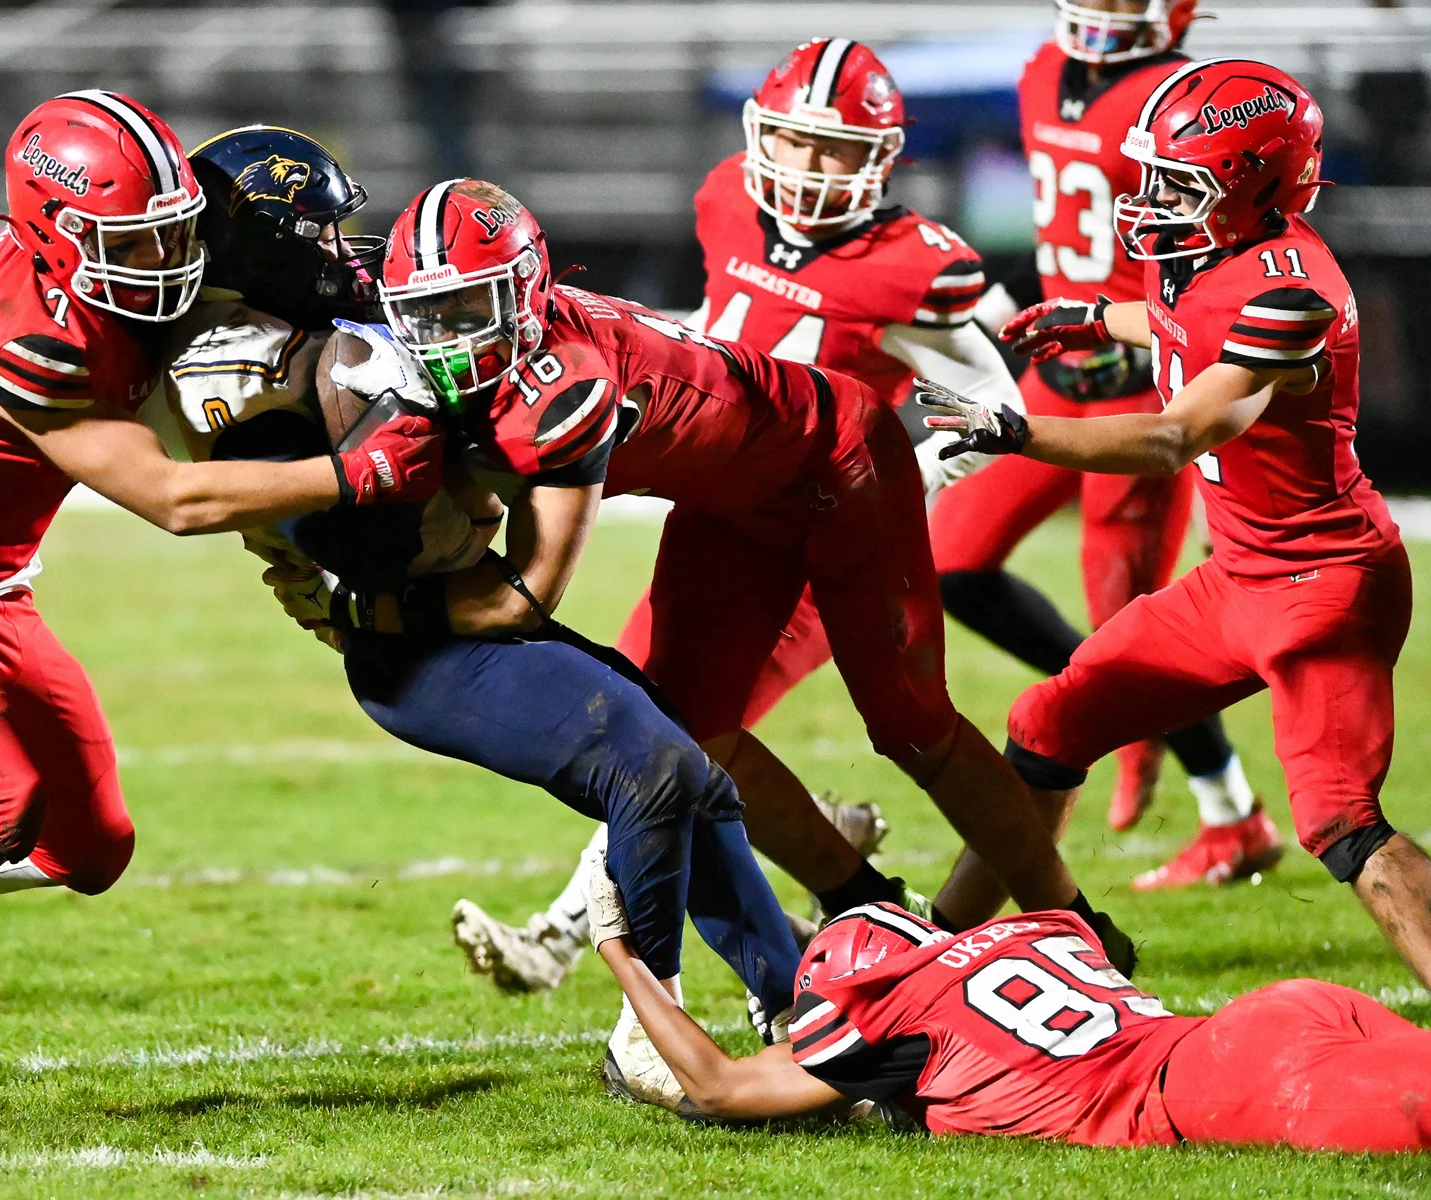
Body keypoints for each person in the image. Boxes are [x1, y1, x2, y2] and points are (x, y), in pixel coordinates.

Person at [0, 97, 442, 1120]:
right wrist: (354, 474)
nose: (162, 259)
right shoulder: (29, 335)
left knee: (90, 848)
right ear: (57, 234)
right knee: (0, 801)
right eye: (134, 239)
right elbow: (172, 496)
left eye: (172, 228)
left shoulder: (105, 275)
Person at [345, 179, 1135, 992]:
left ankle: (1079, 929)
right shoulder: (509, 336)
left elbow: (523, 596)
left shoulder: (564, 380)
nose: (448, 337)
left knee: (909, 723)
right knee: (692, 732)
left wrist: (362, 608)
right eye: (431, 311)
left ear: (526, 292)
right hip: (730, 500)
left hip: (839, 459)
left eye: (472, 309)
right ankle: (869, 905)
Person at [450, 36, 1020, 994]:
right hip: (723, 512)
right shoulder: (726, 200)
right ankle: (833, 894)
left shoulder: (905, 264)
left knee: (673, 736)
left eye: (835, 148)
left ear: (880, 158)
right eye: (793, 141)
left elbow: (990, 397)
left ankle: (574, 936)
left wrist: (906, 487)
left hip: (817, 524)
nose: (806, 167)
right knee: (669, 728)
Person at [918, 59, 1431, 987]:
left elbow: (1173, 435)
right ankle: (932, 958)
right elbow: (1182, 322)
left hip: (1322, 585)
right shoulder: (1213, 255)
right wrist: (1096, 316)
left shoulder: (1291, 291)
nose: (1152, 200)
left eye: (1179, 182)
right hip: (1238, 575)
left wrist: (1018, 429)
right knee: (1045, 726)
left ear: (1257, 184)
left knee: (1340, 821)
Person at [927, 0, 1279, 894]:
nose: (1105, 6)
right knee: (952, 560)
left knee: (1135, 624)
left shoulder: (1194, 99)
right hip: (1059, 363)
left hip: (1145, 378)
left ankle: (1233, 816)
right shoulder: (1044, 67)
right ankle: (1126, 720)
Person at [586, 874, 1431, 1153]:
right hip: (1272, 1019)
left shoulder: (893, 1015)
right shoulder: (1025, 935)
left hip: (1216, 1082)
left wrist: (620, 951)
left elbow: (723, 1087)